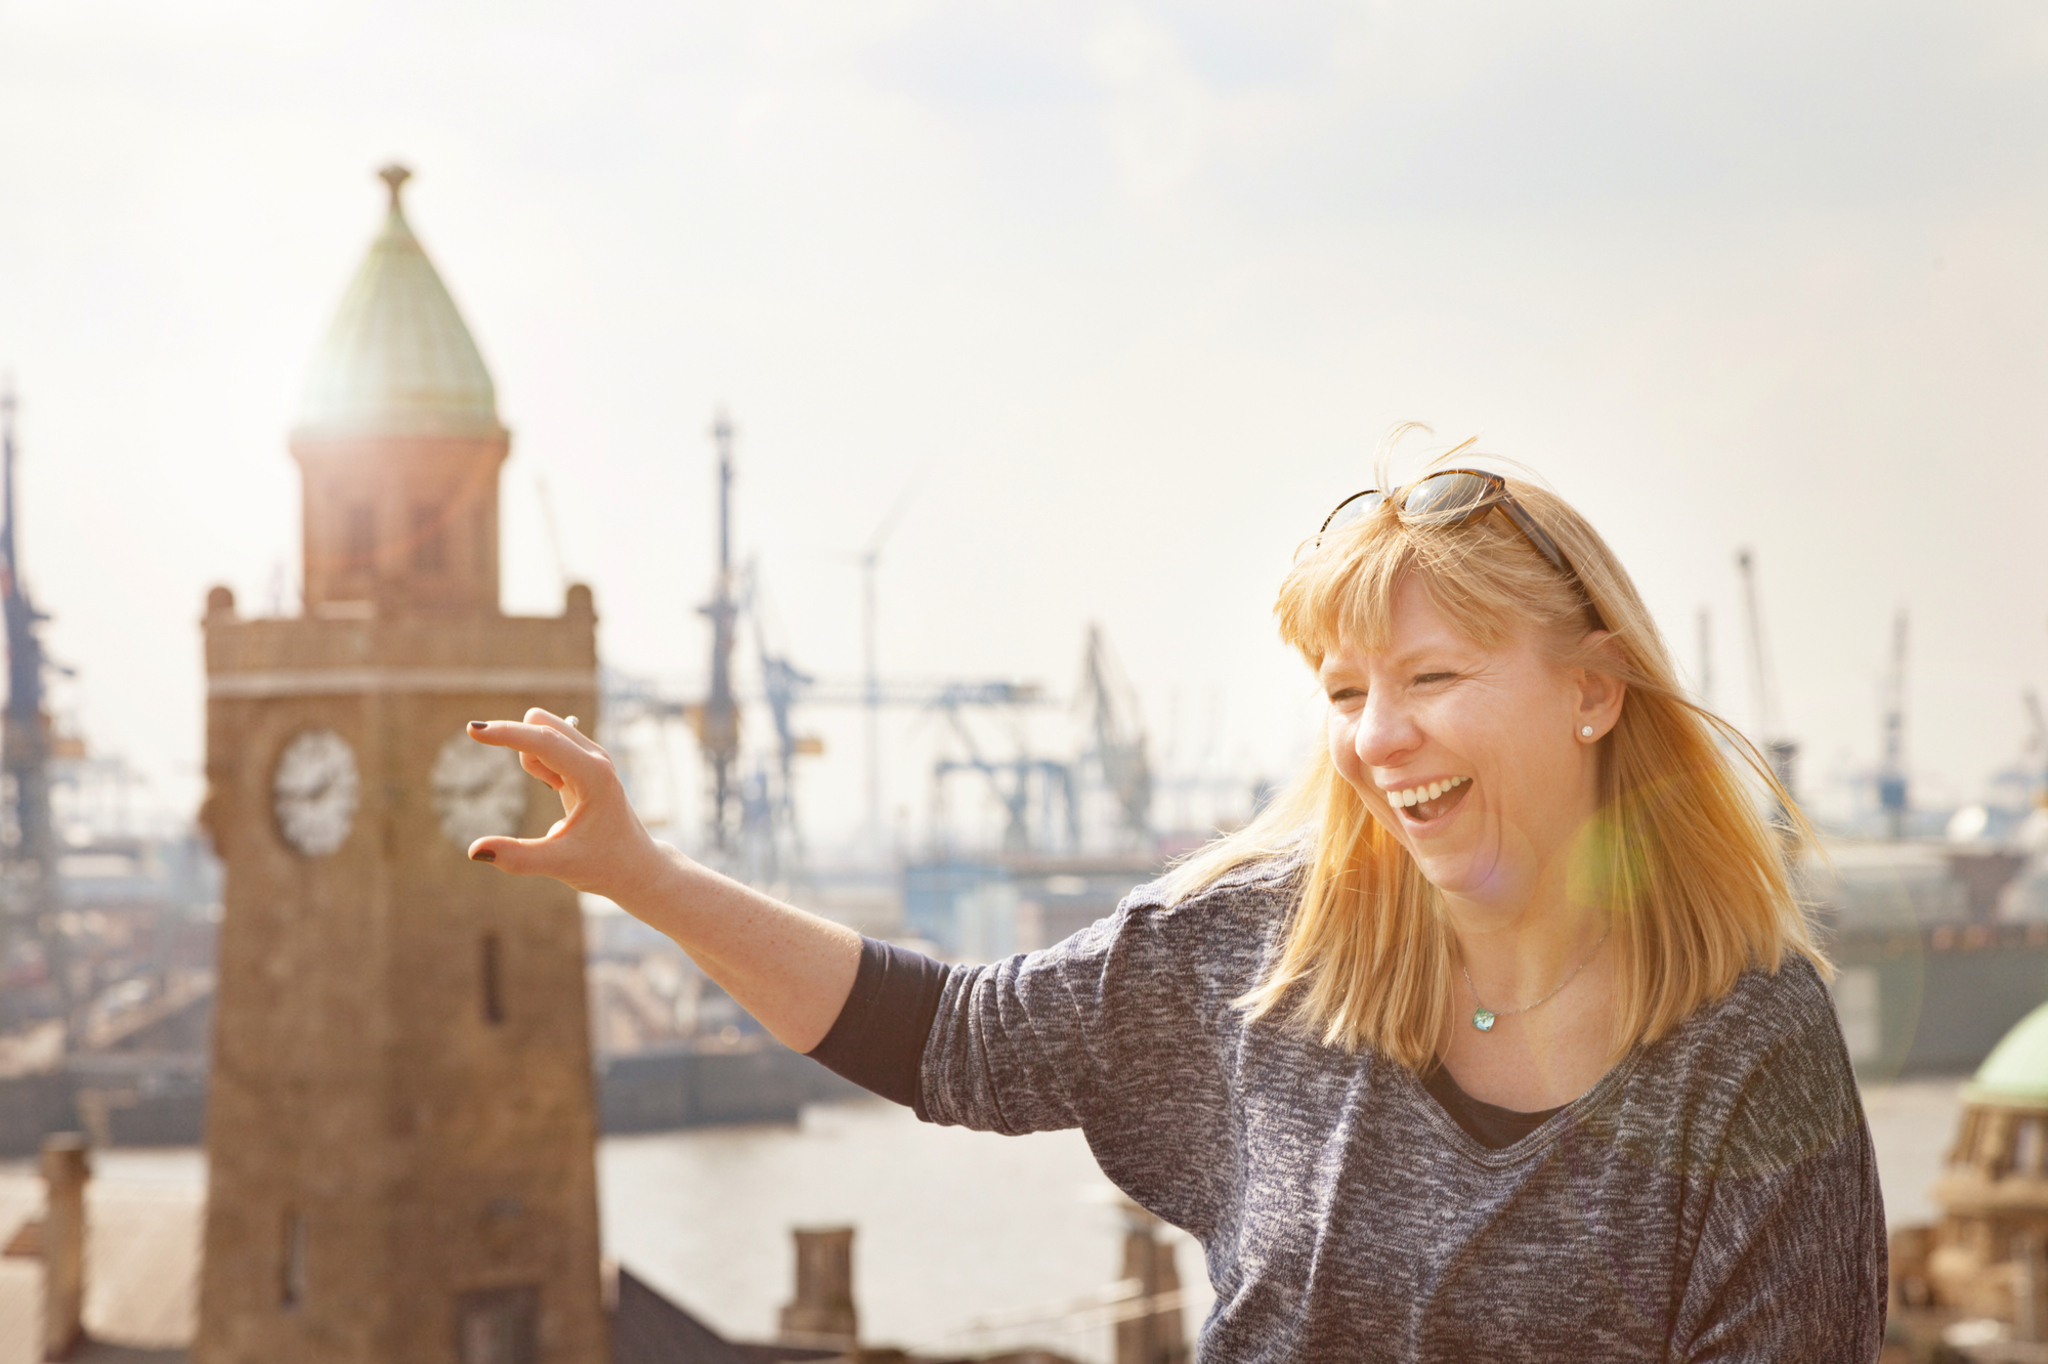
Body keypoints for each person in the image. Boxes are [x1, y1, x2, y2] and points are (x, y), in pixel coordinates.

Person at [464, 458, 1886, 1362]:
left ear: (1593, 690)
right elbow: (948, 1036)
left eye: (1434, 679)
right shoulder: (1255, 954)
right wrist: (647, 878)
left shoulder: (1748, 1051)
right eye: (1345, 692)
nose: (1377, 737)